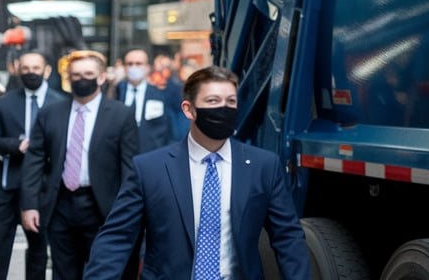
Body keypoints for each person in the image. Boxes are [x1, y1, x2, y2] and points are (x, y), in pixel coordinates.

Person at [83, 66, 311, 280]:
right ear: (188, 109)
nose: (224, 109)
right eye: (213, 101)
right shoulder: (150, 169)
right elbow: (117, 237)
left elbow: (288, 237)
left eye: (230, 102)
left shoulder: (263, 166)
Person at [20, 50, 139, 280]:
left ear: (101, 77)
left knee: (101, 272)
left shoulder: (121, 115)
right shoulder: (50, 113)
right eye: (75, 74)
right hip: (60, 206)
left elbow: (129, 168)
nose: (81, 79)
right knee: (63, 272)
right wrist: (30, 204)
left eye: (88, 73)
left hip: (102, 208)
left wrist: (127, 212)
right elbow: (34, 159)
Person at [0, 51, 68, 280]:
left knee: (39, 249)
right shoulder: (6, 103)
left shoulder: (60, 103)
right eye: (26, 69)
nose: (31, 73)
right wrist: (15, 145)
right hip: (8, 187)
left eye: (36, 69)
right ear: (18, 70)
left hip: (43, 188)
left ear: (47, 71)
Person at [115, 48, 176, 153]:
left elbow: (168, 129)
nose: (134, 67)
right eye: (130, 64)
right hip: (121, 156)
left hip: (152, 156)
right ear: (124, 67)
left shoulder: (159, 95)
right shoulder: (116, 92)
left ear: (147, 67)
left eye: (138, 64)